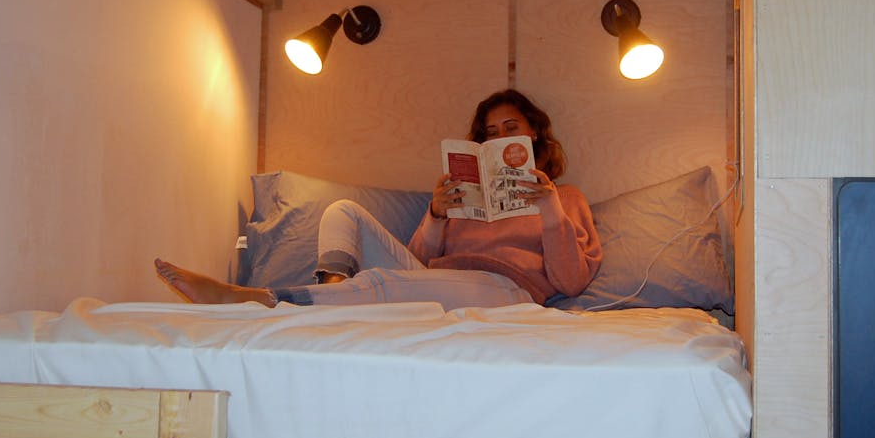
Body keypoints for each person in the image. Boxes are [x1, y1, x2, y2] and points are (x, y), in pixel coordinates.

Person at [154, 89, 602, 310]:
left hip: (507, 292)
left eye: (510, 128)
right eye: (490, 133)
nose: (500, 137)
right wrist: (436, 215)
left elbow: (571, 281)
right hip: (440, 283)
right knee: (343, 212)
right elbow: (416, 261)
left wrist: (549, 212)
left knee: (386, 287)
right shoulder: (465, 195)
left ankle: (260, 300)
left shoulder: (564, 197)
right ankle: (331, 293)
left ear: (533, 134)